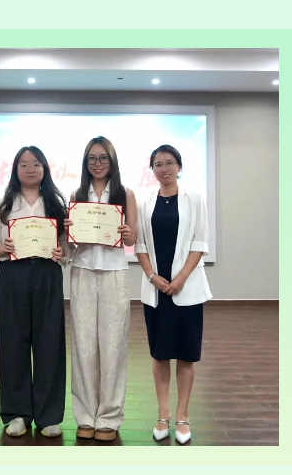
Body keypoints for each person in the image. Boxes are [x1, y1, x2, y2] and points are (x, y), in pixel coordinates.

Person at [0, 146, 71, 439]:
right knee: (12, 342)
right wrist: (0, 247)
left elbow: (67, 243)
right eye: (23, 164)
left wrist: (62, 251)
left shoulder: (56, 205)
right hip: (13, 273)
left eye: (36, 164)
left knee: (49, 343)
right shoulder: (3, 205)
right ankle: (16, 413)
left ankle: (48, 416)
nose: (30, 169)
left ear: (45, 168)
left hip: (47, 274)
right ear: (15, 169)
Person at [135, 144, 212, 445]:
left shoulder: (194, 198)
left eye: (169, 163)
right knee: (160, 353)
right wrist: (152, 277)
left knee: (186, 354)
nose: (164, 168)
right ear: (152, 169)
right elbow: (141, 245)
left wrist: (180, 278)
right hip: (156, 290)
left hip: (187, 288)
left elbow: (200, 243)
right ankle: (163, 413)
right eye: (158, 164)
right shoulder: (145, 202)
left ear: (179, 167)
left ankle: (183, 415)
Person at [64, 136, 137, 441]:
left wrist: (126, 232)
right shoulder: (77, 195)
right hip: (82, 271)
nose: (97, 163)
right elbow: (70, 246)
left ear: (112, 161)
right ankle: (85, 415)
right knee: (83, 346)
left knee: (112, 346)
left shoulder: (125, 193)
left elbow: (132, 239)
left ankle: (109, 416)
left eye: (103, 158)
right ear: (86, 163)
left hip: (114, 273)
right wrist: (68, 232)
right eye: (92, 158)